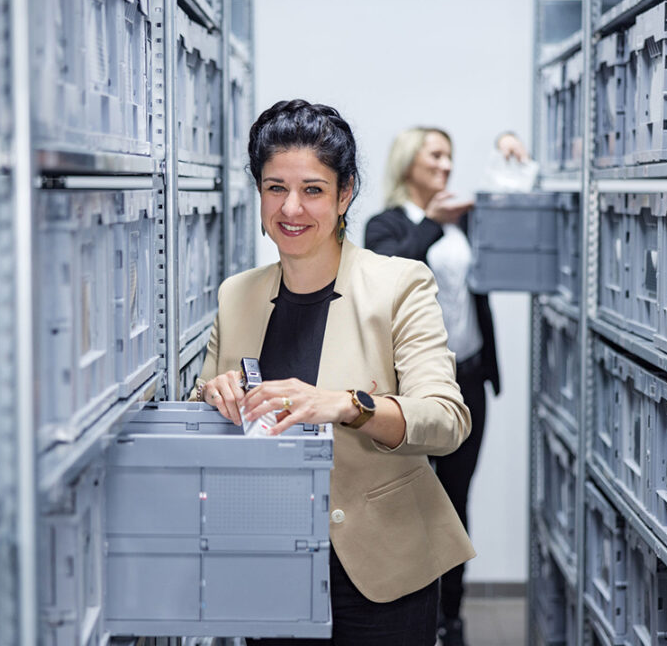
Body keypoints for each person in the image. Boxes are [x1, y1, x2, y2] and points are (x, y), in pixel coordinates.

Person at [189, 99, 475, 646]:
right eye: (275, 188)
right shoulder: (237, 295)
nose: (291, 208)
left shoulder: (399, 284)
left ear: (345, 194)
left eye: (313, 190)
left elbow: (446, 419)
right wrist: (211, 392)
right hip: (270, 562)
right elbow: (208, 404)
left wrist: (348, 405)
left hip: (381, 570)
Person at [364, 127, 505, 646]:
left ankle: (452, 614)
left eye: (450, 156)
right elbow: (391, 271)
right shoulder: (387, 225)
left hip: (468, 376)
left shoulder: (463, 218)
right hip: (410, 388)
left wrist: (508, 142)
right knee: (409, 500)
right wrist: (432, 223)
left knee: (456, 497)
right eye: (436, 156)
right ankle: (411, 610)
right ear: (408, 164)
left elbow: (515, 207)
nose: (446, 165)